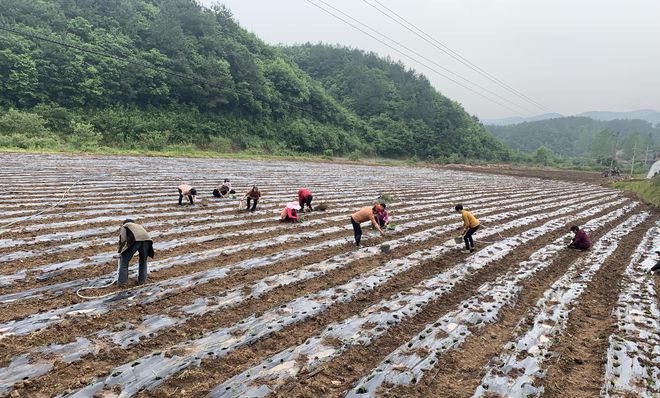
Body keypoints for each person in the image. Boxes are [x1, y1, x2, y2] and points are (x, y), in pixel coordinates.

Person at [117, 219, 154, 286]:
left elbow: (123, 239)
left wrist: (120, 251)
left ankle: (122, 283)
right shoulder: (138, 226)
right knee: (143, 261)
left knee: (124, 261)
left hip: (136, 239)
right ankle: (142, 281)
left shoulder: (125, 226)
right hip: (147, 240)